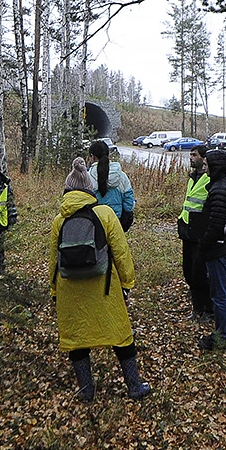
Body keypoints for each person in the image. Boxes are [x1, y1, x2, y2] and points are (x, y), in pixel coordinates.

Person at [50, 157, 151, 402]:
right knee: (121, 335)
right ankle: (134, 386)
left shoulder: (59, 220)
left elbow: (53, 261)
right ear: (90, 188)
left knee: (77, 339)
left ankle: (86, 391)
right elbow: (121, 251)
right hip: (104, 288)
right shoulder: (105, 213)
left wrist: (54, 292)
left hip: (69, 289)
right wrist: (127, 284)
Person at [197, 149, 226, 351]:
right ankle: (220, 332)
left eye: (206, 165)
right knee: (217, 292)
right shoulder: (218, 186)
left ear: (215, 167)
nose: (204, 169)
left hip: (217, 250)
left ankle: (221, 337)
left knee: (219, 294)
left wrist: (203, 245)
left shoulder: (220, 189)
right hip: (217, 248)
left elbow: (217, 226)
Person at [178, 144, 213, 324]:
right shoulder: (193, 178)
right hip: (187, 231)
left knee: (200, 274)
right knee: (189, 272)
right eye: (190, 154)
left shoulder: (209, 179)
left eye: (194, 155)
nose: (191, 158)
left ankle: (208, 310)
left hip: (200, 233)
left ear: (203, 158)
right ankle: (197, 308)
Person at [86, 140, 135, 231]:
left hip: (94, 222)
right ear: (108, 155)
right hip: (116, 221)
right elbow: (129, 200)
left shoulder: (88, 177)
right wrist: (124, 218)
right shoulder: (121, 175)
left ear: (92, 157)